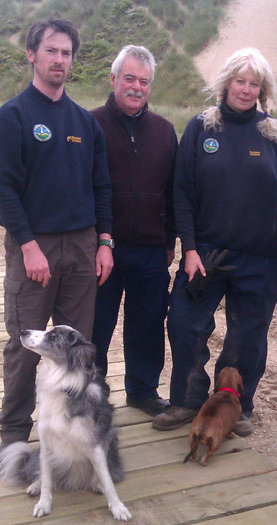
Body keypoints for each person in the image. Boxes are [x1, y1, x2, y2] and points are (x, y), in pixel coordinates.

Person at [152, 48, 277, 437]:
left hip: (263, 255)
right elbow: (181, 194)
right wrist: (189, 248)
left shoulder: (273, 133)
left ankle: (236, 405)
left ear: (262, 89)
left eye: (255, 84)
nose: (247, 89)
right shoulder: (202, 128)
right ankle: (188, 399)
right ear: (226, 83)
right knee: (184, 324)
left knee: (247, 336)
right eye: (240, 81)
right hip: (208, 253)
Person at [0, 18, 114, 450]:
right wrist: (27, 246)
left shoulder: (84, 121)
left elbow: (101, 186)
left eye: (66, 53)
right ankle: (13, 433)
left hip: (82, 247)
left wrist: (104, 242)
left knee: (78, 348)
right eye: (51, 51)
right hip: (33, 246)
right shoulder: (12, 117)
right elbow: (4, 189)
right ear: (31, 55)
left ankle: (74, 429)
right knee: (25, 343)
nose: (60, 59)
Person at [90, 45, 178, 417]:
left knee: (147, 324)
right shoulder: (89, 124)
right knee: (96, 326)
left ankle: (142, 390)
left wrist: (172, 238)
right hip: (101, 249)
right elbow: (84, 189)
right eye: (129, 78)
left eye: (143, 81)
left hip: (151, 249)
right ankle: (91, 395)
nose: (136, 87)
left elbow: (176, 190)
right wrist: (97, 239)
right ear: (113, 80)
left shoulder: (164, 131)